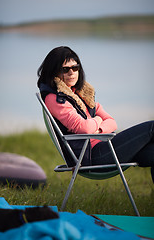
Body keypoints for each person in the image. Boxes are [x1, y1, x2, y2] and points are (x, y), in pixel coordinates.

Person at [37, 46, 154, 183]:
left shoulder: (81, 96)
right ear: (54, 72)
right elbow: (84, 128)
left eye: (75, 68)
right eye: (65, 69)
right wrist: (98, 119)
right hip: (93, 157)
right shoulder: (56, 99)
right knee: (151, 127)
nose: (72, 73)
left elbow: (112, 122)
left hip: (105, 147)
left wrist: (96, 128)